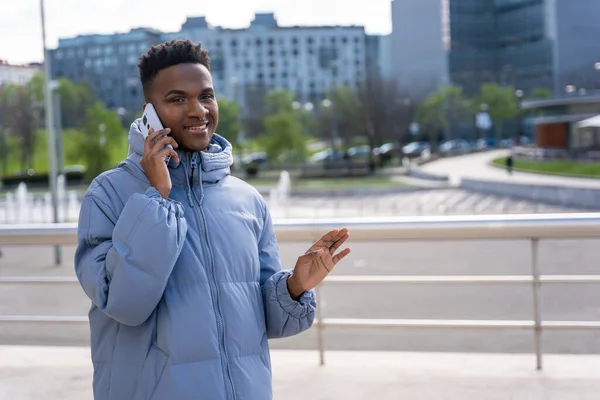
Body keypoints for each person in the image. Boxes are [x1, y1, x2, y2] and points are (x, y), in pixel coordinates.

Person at [74, 39, 351, 400]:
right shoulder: (108, 195)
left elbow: (263, 319)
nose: (198, 110)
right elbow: (123, 303)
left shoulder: (246, 199)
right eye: (177, 99)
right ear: (149, 112)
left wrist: (295, 286)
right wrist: (157, 197)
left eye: (206, 96)